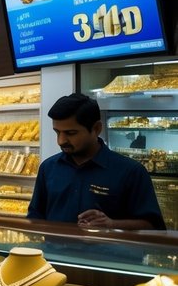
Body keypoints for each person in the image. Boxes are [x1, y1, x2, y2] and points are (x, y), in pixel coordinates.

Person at [28, 93, 164, 230]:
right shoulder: (48, 168)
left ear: (96, 129)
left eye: (70, 133)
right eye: (57, 132)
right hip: (53, 251)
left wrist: (111, 225)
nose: (61, 141)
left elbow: (152, 226)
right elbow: (35, 216)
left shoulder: (131, 172)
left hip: (107, 251)